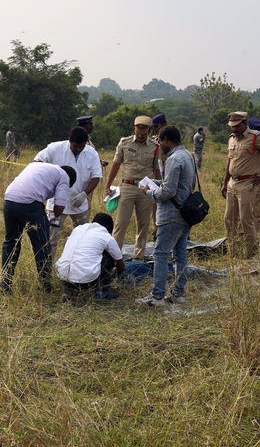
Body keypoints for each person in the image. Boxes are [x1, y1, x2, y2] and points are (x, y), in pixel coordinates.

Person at [137, 126, 196, 306]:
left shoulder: (173, 159)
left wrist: (149, 192)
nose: (159, 145)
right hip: (186, 214)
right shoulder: (188, 156)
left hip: (170, 215)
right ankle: (178, 293)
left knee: (161, 254)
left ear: (166, 140)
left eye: (160, 141)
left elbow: (167, 192)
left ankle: (157, 296)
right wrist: (157, 183)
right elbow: (178, 185)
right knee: (180, 255)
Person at [0, 163, 77, 292]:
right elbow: (59, 206)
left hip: (9, 200)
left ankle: (5, 283)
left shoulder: (37, 166)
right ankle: (46, 286)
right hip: (30, 204)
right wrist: (53, 218)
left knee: (11, 242)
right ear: (70, 181)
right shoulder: (64, 176)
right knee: (42, 245)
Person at [33, 126, 102, 256]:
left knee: (84, 239)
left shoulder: (91, 153)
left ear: (85, 143)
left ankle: (80, 266)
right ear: (69, 141)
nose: (78, 149)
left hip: (80, 204)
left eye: (81, 147)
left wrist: (84, 194)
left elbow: (96, 176)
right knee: (51, 239)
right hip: (56, 203)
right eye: (75, 146)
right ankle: (47, 269)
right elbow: (37, 162)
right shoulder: (55, 148)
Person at [221, 111, 260, 258]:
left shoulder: (255, 137)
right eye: (232, 126)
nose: (234, 128)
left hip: (248, 184)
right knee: (229, 219)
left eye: (237, 125)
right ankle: (232, 252)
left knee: (246, 220)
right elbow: (230, 161)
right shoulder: (232, 139)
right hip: (232, 183)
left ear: (244, 123)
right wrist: (224, 182)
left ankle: (251, 253)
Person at [103, 115, 159, 260]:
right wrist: (108, 185)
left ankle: (138, 257)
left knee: (143, 224)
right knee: (120, 224)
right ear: (134, 129)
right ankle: (114, 258)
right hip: (127, 187)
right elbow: (115, 165)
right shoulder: (124, 143)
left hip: (146, 189)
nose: (140, 136)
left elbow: (156, 169)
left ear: (148, 131)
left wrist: (159, 189)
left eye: (144, 133)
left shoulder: (155, 146)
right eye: (138, 132)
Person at [56, 212, 125, 299]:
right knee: (109, 255)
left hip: (63, 276)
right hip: (85, 281)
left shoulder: (77, 229)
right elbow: (121, 264)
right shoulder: (106, 236)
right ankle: (102, 291)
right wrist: (113, 276)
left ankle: (69, 289)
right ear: (107, 227)